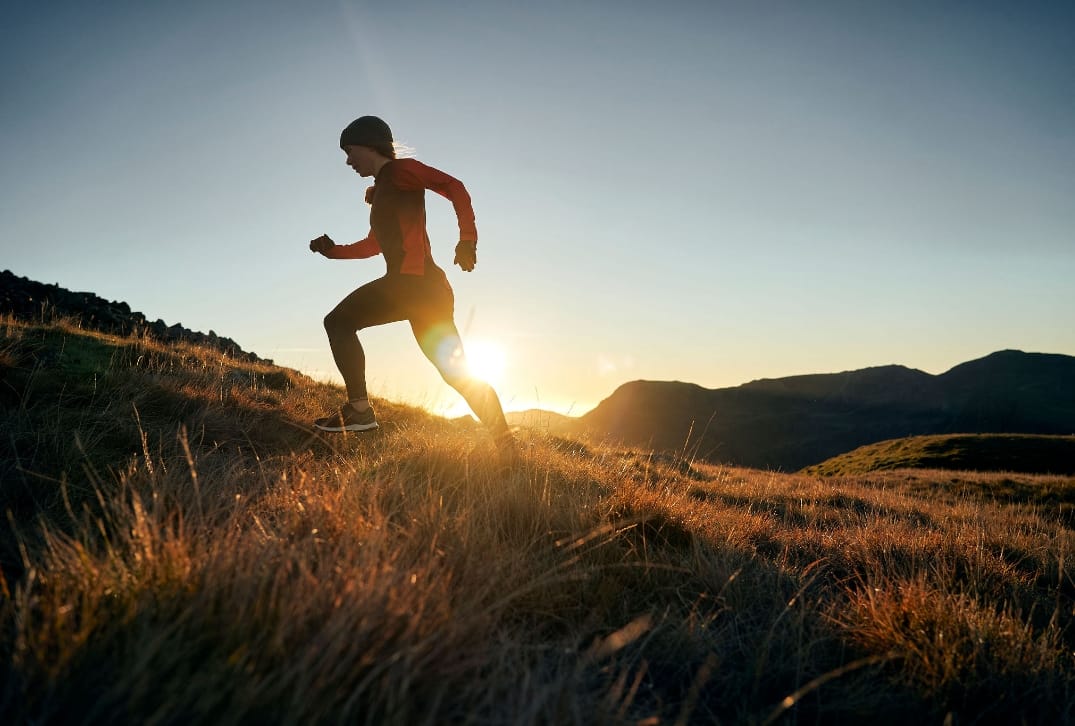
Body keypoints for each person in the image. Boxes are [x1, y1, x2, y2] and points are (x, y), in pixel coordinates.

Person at [308, 115, 511, 447]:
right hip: (425, 290)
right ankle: (506, 446)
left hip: (413, 284)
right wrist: (333, 252)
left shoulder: (401, 172)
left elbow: (453, 186)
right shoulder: (382, 189)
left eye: (349, 151)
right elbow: (373, 245)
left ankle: (359, 410)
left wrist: (467, 240)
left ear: (369, 144)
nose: (348, 161)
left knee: (339, 322)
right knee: (456, 374)